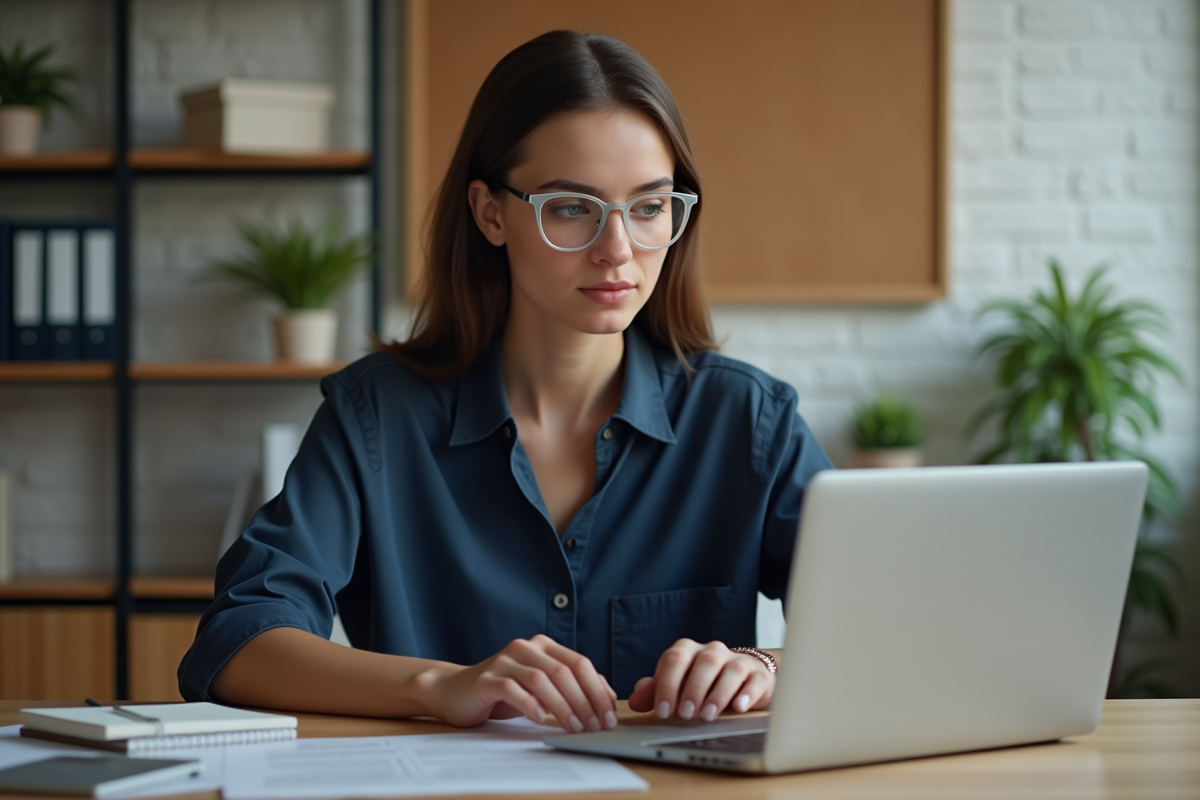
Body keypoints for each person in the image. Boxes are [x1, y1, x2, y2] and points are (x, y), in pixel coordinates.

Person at [178, 30, 832, 733]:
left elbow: (892, 633)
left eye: (648, 208)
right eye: (572, 208)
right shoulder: (376, 417)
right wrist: (441, 685)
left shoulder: (748, 419)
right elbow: (236, 642)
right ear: (491, 212)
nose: (619, 252)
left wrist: (763, 667)